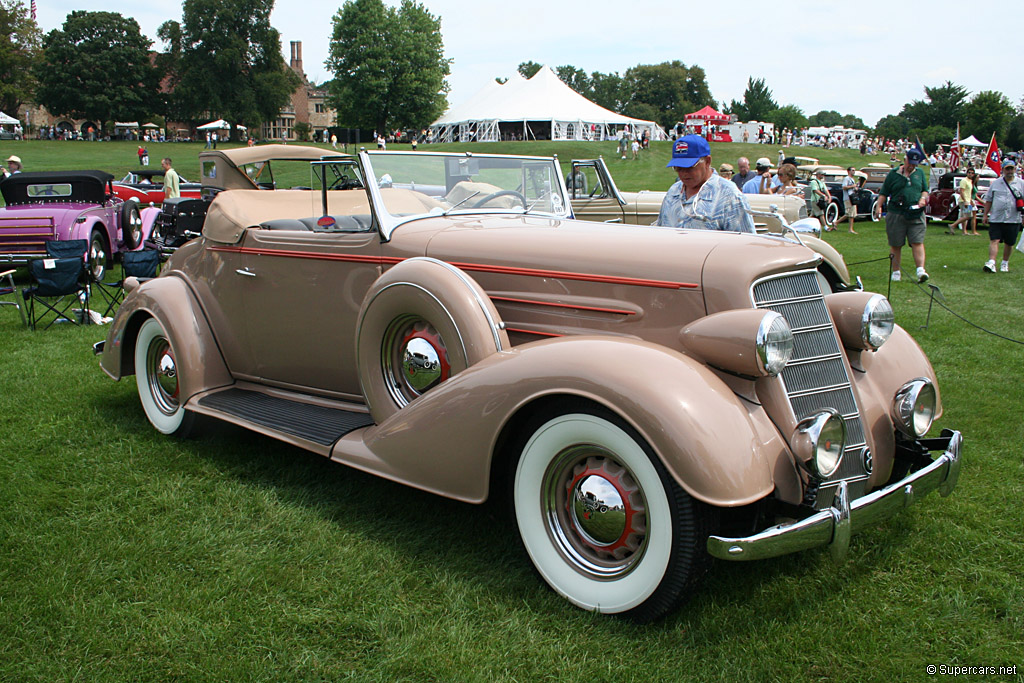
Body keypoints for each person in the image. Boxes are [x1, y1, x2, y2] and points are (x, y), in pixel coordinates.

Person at [655, 135, 755, 233]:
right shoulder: (673, 192)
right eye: (678, 168)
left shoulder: (729, 196)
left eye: (690, 167)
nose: (684, 173)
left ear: (707, 161)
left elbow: (745, 243)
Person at [877, 148, 930, 282]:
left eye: (914, 164)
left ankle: (920, 271)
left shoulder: (919, 173)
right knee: (896, 244)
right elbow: (884, 192)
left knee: (917, 241)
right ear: (905, 159)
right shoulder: (893, 174)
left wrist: (923, 199)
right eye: (910, 163)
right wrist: (878, 207)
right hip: (896, 213)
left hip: (915, 213)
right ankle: (896, 272)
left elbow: (924, 190)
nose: (911, 166)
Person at [981, 158, 1024, 273]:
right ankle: (991, 262)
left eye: (1011, 169)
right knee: (994, 239)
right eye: (1007, 169)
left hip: (1013, 218)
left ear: (1015, 169)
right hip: (996, 217)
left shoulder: (1021, 183)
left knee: (1009, 242)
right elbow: (989, 200)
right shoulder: (996, 183)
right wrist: (985, 214)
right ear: (1003, 170)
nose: (1009, 171)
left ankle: (1005, 262)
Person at [948, 167, 978, 235]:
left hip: (968, 200)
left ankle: (964, 231)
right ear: (967, 173)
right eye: (969, 172)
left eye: (972, 173)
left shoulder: (970, 181)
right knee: (968, 216)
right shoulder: (964, 180)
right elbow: (962, 191)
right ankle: (953, 225)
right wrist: (965, 201)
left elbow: (969, 193)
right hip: (964, 200)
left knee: (965, 216)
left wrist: (971, 200)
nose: (970, 174)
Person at [842, 167, 858, 234]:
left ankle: (851, 228)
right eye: (852, 170)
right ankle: (850, 229)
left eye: (854, 170)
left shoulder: (852, 179)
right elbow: (844, 187)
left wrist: (855, 188)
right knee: (849, 214)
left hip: (852, 198)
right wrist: (853, 186)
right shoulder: (846, 178)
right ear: (848, 171)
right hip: (848, 198)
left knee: (852, 214)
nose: (854, 171)